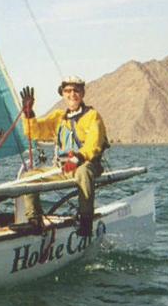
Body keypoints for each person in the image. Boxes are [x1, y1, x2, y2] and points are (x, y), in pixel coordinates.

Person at [19, 75, 110, 237]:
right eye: (67, 91)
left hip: (86, 165)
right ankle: (34, 221)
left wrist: (78, 158)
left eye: (76, 90)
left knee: (83, 173)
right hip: (62, 168)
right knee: (28, 177)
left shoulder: (92, 116)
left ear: (82, 93)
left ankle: (86, 221)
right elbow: (35, 132)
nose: (72, 94)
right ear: (62, 94)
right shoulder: (58, 117)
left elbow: (94, 143)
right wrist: (28, 113)